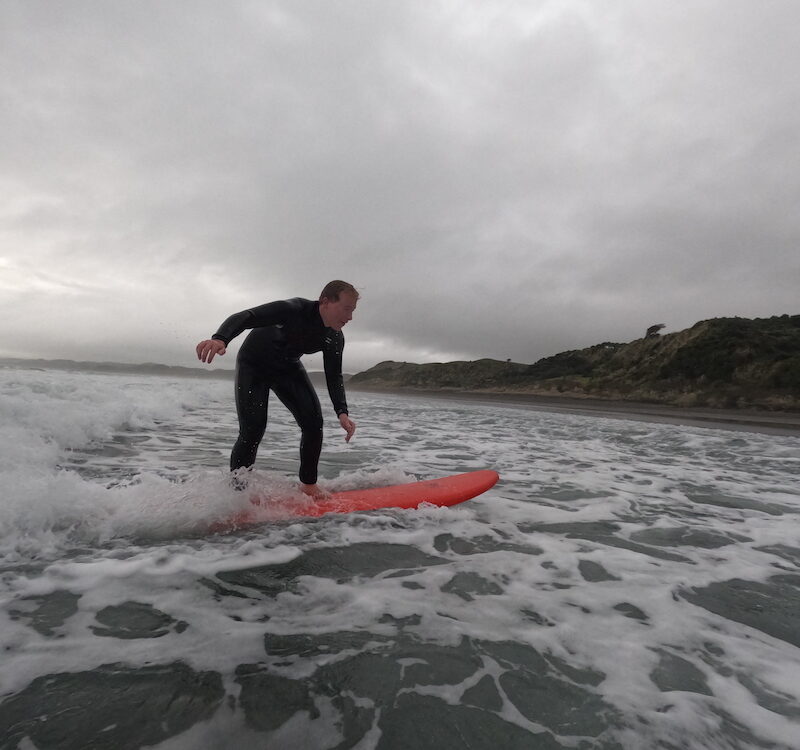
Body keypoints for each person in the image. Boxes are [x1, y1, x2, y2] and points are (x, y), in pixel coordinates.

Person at [196, 280, 358, 496]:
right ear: (326, 302)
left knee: (313, 422)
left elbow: (334, 375)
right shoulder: (294, 309)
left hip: (287, 368)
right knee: (252, 430)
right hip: (253, 365)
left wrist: (342, 412)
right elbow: (247, 317)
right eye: (347, 309)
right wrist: (220, 339)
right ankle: (237, 493)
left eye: (353, 311)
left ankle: (308, 486)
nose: (350, 317)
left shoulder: (334, 337)